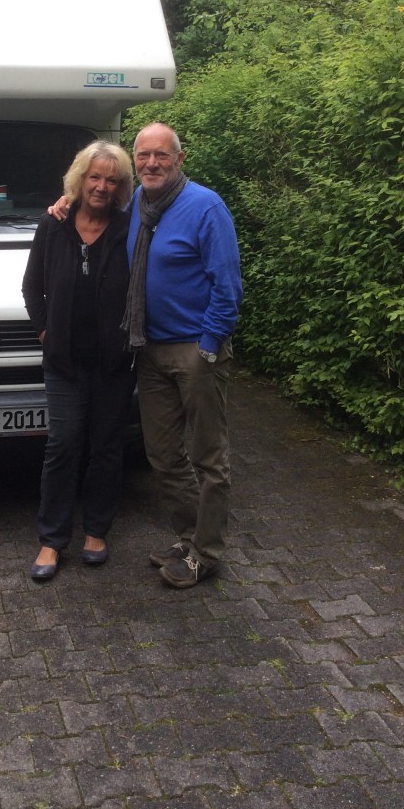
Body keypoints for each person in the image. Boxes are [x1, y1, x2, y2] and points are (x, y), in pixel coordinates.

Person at [50, 122, 242, 588]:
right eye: (143, 155)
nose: (152, 163)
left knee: (208, 456)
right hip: (149, 347)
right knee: (163, 454)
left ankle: (206, 553)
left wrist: (209, 345)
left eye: (161, 155)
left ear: (179, 159)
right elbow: (92, 204)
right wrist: (64, 203)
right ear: (135, 162)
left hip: (195, 348)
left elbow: (227, 285)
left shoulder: (206, 207)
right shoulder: (137, 204)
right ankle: (188, 537)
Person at [22, 141, 135, 581]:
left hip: (113, 363)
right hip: (64, 363)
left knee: (106, 446)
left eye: (111, 180)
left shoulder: (129, 229)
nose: (102, 187)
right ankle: (52, 539)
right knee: (64, 444)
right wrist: (45, 330)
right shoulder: (53, 226)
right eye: (95, 177)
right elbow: (32, 286)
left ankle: (96, 531)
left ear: (120, 187)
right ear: (80, 180)